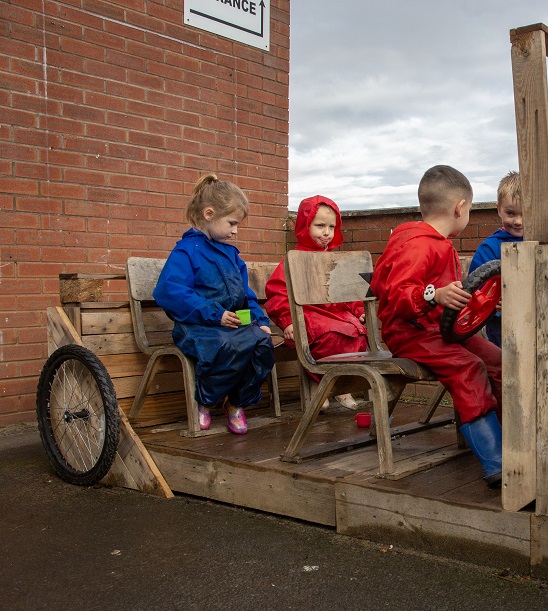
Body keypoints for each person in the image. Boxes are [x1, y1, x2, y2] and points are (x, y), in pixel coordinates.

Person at [371, 165, 503, 487]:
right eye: (470, 209)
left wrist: (478, 303)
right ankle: (496, 461)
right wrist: (434, 294)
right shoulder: (417, 245)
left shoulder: (440, 243)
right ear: (460, 207)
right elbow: (399, 296)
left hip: (440, 330)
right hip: (409, 333)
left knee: (498, 361)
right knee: (468, 368)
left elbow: (450, 302)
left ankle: (514, 437)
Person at [153, 174, 275, 435]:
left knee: (262, 344)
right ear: (209, 214)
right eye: (231, 223)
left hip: (229, 324)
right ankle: (205, 400)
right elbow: (169, 291)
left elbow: (246, 295)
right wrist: (214, 313)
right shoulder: (186, 251)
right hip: (196, 326)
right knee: (227, 345)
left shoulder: (231, 254)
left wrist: (260, 321)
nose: (235, 230)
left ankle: (235, 403)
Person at [264, 195, 366, 409]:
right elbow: (278, 292)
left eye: (331, 226)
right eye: (320, 226)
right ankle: (321, 383)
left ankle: (339, 385)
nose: (326, 233)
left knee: (357, 332)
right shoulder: (294, 259)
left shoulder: (333, 259)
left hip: (336, 313)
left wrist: (358, 310)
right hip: (309, 315)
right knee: (331, 334)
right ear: (304, 225)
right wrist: (288, 321)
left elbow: (347, 290)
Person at [468, 170, 523, 347]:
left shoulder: (542, 243)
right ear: (499, 209)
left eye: (524, 213)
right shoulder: (490, 248)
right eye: (511, 213)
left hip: (537, 318)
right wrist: (495, 305)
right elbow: (477, 290)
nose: (518, 221)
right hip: (502, 326)